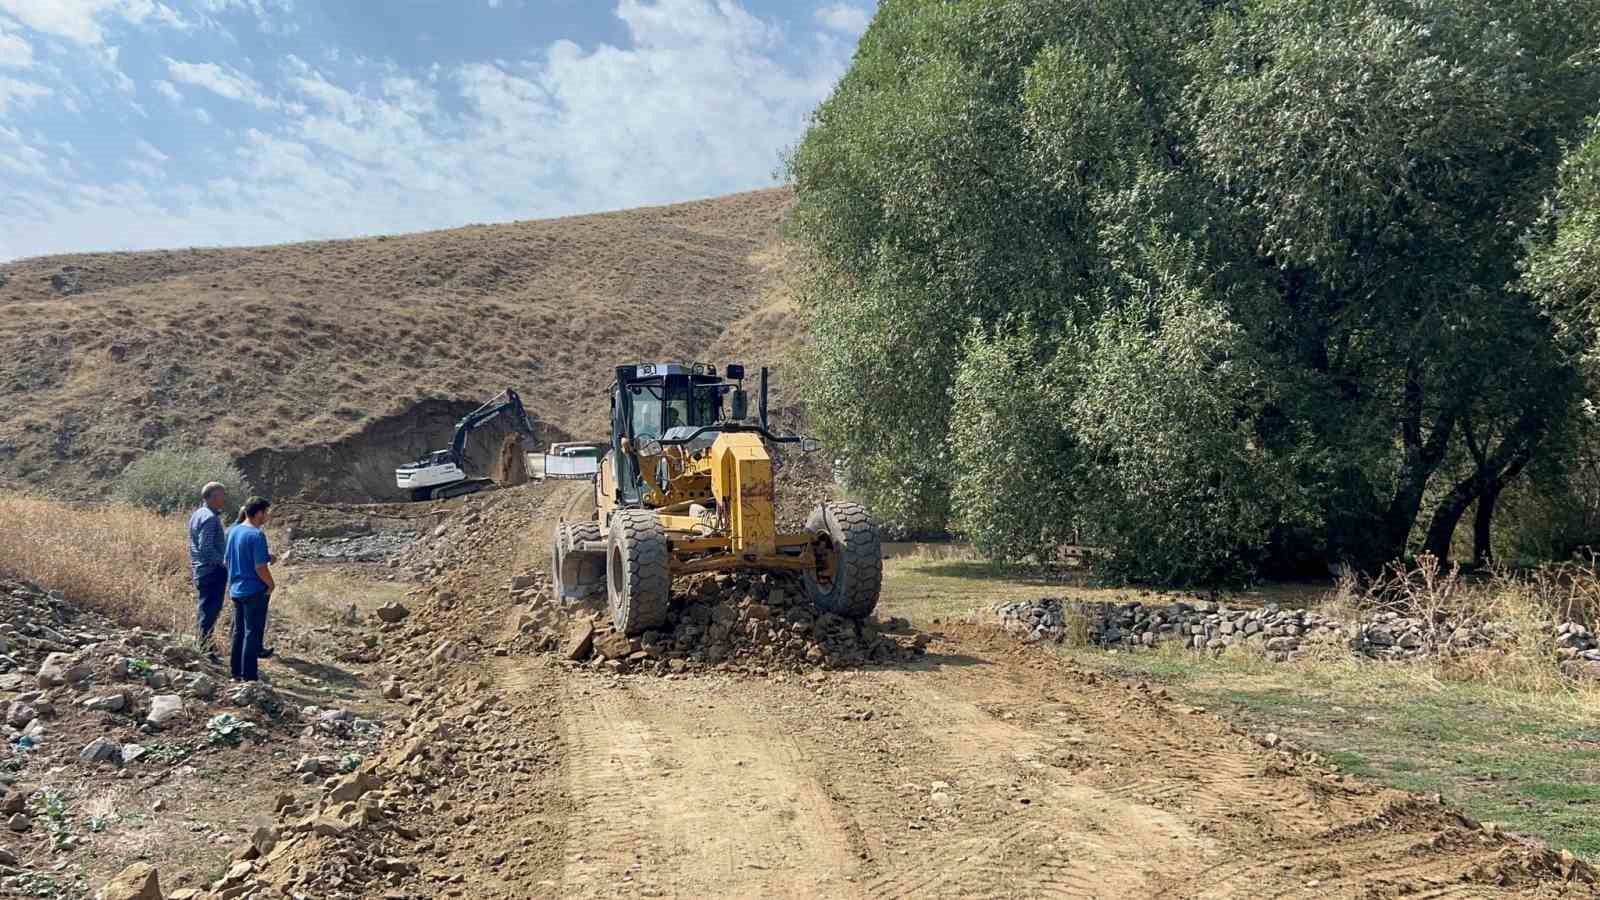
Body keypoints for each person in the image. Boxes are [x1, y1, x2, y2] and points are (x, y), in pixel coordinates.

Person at [223, 496, 275, 682]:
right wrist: (271, 584)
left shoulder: (234, 531)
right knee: (252, 633)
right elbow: (259, 567)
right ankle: (250, 677)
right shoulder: (256, 535)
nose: (267, 517)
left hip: (236, 588)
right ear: (259, 513)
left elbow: (226, 560)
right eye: (266, 513)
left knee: (239, 632)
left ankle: (236, 672)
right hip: (254, 591)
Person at [187, 482, 228, 663]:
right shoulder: (210, 518)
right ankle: (204, 650)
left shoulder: (198, 514)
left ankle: (205, 646)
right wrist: (224, 561)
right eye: (221, 495)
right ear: (211, 497)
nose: (224, 499)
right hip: (211, 570)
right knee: (209, 610)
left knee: (205, 609)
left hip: (201, 569)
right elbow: (205, 548)